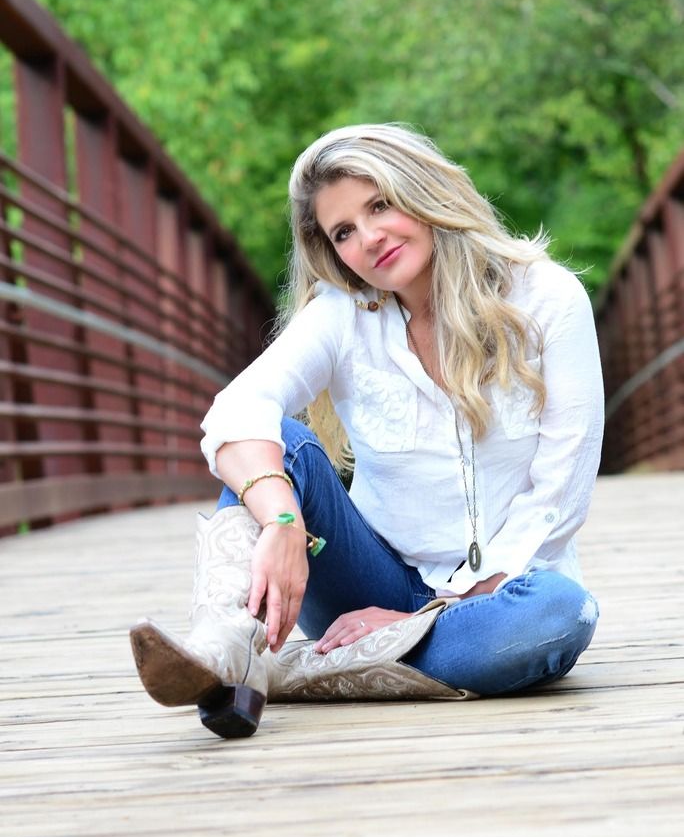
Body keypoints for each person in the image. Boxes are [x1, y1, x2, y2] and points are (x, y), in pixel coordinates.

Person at [130, 123, 604, 740]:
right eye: (343, 232)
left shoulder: (547, 299)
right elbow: (236, 409)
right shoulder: (343, 314)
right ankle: (227, 641)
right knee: (278, 444)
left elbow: (561, 492)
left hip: (498, 599)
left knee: (560, 613)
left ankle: (289, 673)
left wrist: (432, 615)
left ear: (423, 191)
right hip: (368, 584)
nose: (369, 238)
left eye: (379, 205)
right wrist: (282, 520)